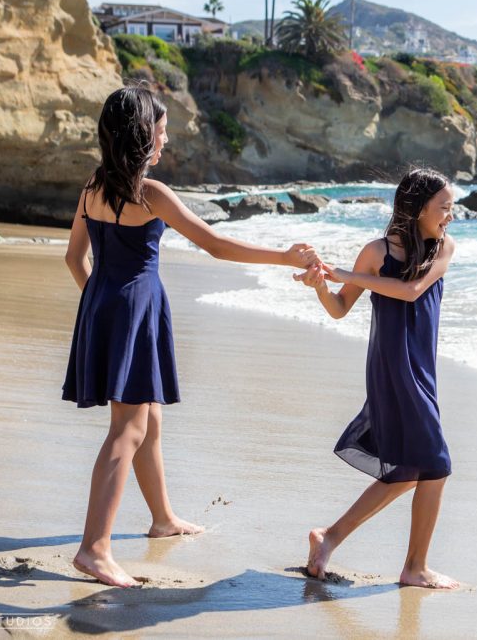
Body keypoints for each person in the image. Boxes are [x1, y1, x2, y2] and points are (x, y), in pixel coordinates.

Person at [62, 85, 318, 587]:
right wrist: (284, 257)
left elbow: (74, 258)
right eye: (161, 131)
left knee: (149, 417)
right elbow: (215, 245)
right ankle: (94, 549)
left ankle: (162, 518)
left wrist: (100, 310)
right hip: (135, 308)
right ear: (141, 135)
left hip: (103, 304)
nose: (166, 140)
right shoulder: (149, 193)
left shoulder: (93, 187)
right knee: (128, 429)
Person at [294, 167, 459, 589]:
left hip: (421, 368)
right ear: (419, 208)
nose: (451, 215)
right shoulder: (375, 252)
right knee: (436, 465)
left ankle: (328, 538)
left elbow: (411, 290)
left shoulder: (444, 247)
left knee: (409, 470)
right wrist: (321, 285)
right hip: (391, 368)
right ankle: (415, 568)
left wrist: (345, 274)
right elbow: (339, 308)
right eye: (444, 207)